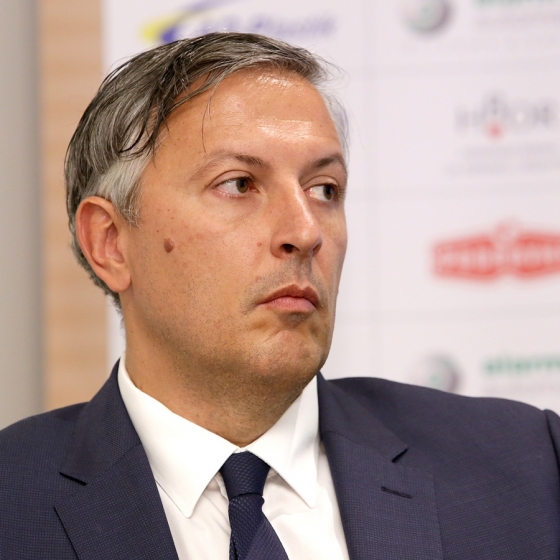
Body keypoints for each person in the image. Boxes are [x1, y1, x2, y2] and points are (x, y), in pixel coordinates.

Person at [0, 32, 559, 560]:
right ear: (111, 242)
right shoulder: (13, 502)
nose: (306, 231)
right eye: (239, 184)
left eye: (324, 190)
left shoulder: (526, 470)